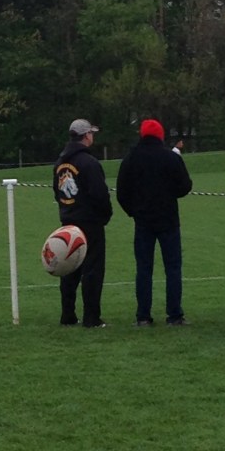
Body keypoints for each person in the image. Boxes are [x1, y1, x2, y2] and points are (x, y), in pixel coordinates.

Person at [116, 119, 193, 326]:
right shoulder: (170, 158)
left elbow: (122, 192)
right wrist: (170, 195)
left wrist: (134, 211)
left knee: (144, 268)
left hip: (143, 221)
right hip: (168, 219)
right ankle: (174, 315)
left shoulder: (131, 159)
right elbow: (185, 186)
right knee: (173, 268)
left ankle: (143, 316)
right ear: (160, 135)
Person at [53, 118, 113, 328]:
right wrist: (105, 215)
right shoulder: (89, 163)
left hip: (68, 221)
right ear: (86, 136)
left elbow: (57, 192)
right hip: (90, 222)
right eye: (91, 134)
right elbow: (99, 194)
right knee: (93, 270)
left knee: (69, 268)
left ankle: (68, 315)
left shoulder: (60, 162)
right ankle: (91, 317)